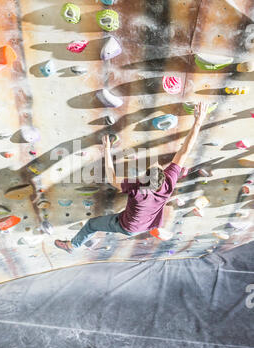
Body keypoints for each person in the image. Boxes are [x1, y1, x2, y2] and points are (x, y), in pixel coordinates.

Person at [55, 101, 208, 253]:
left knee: (91, 224)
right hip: (147, 223)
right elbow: (184, 152)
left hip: (127, 226)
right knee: (134, 213)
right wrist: (198, 122)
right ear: (163, 177)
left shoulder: (136, 189)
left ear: (144, 179)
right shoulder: (169, 182)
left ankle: (72, 246)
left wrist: (107, 150)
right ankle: (155, 228)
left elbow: (111, 176)